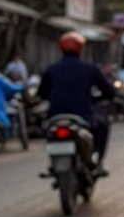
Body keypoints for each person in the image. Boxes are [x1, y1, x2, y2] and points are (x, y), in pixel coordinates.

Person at [38, 31, 115, 173]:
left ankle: (53, 163)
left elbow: (41, 93)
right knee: (103, 125)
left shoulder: (52, 69)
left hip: (55, 116)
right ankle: (97, 162)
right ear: (81, 49)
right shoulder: (90, 69)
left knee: (48, 132)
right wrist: (96, 99)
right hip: (84, 115)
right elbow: (109, 91)